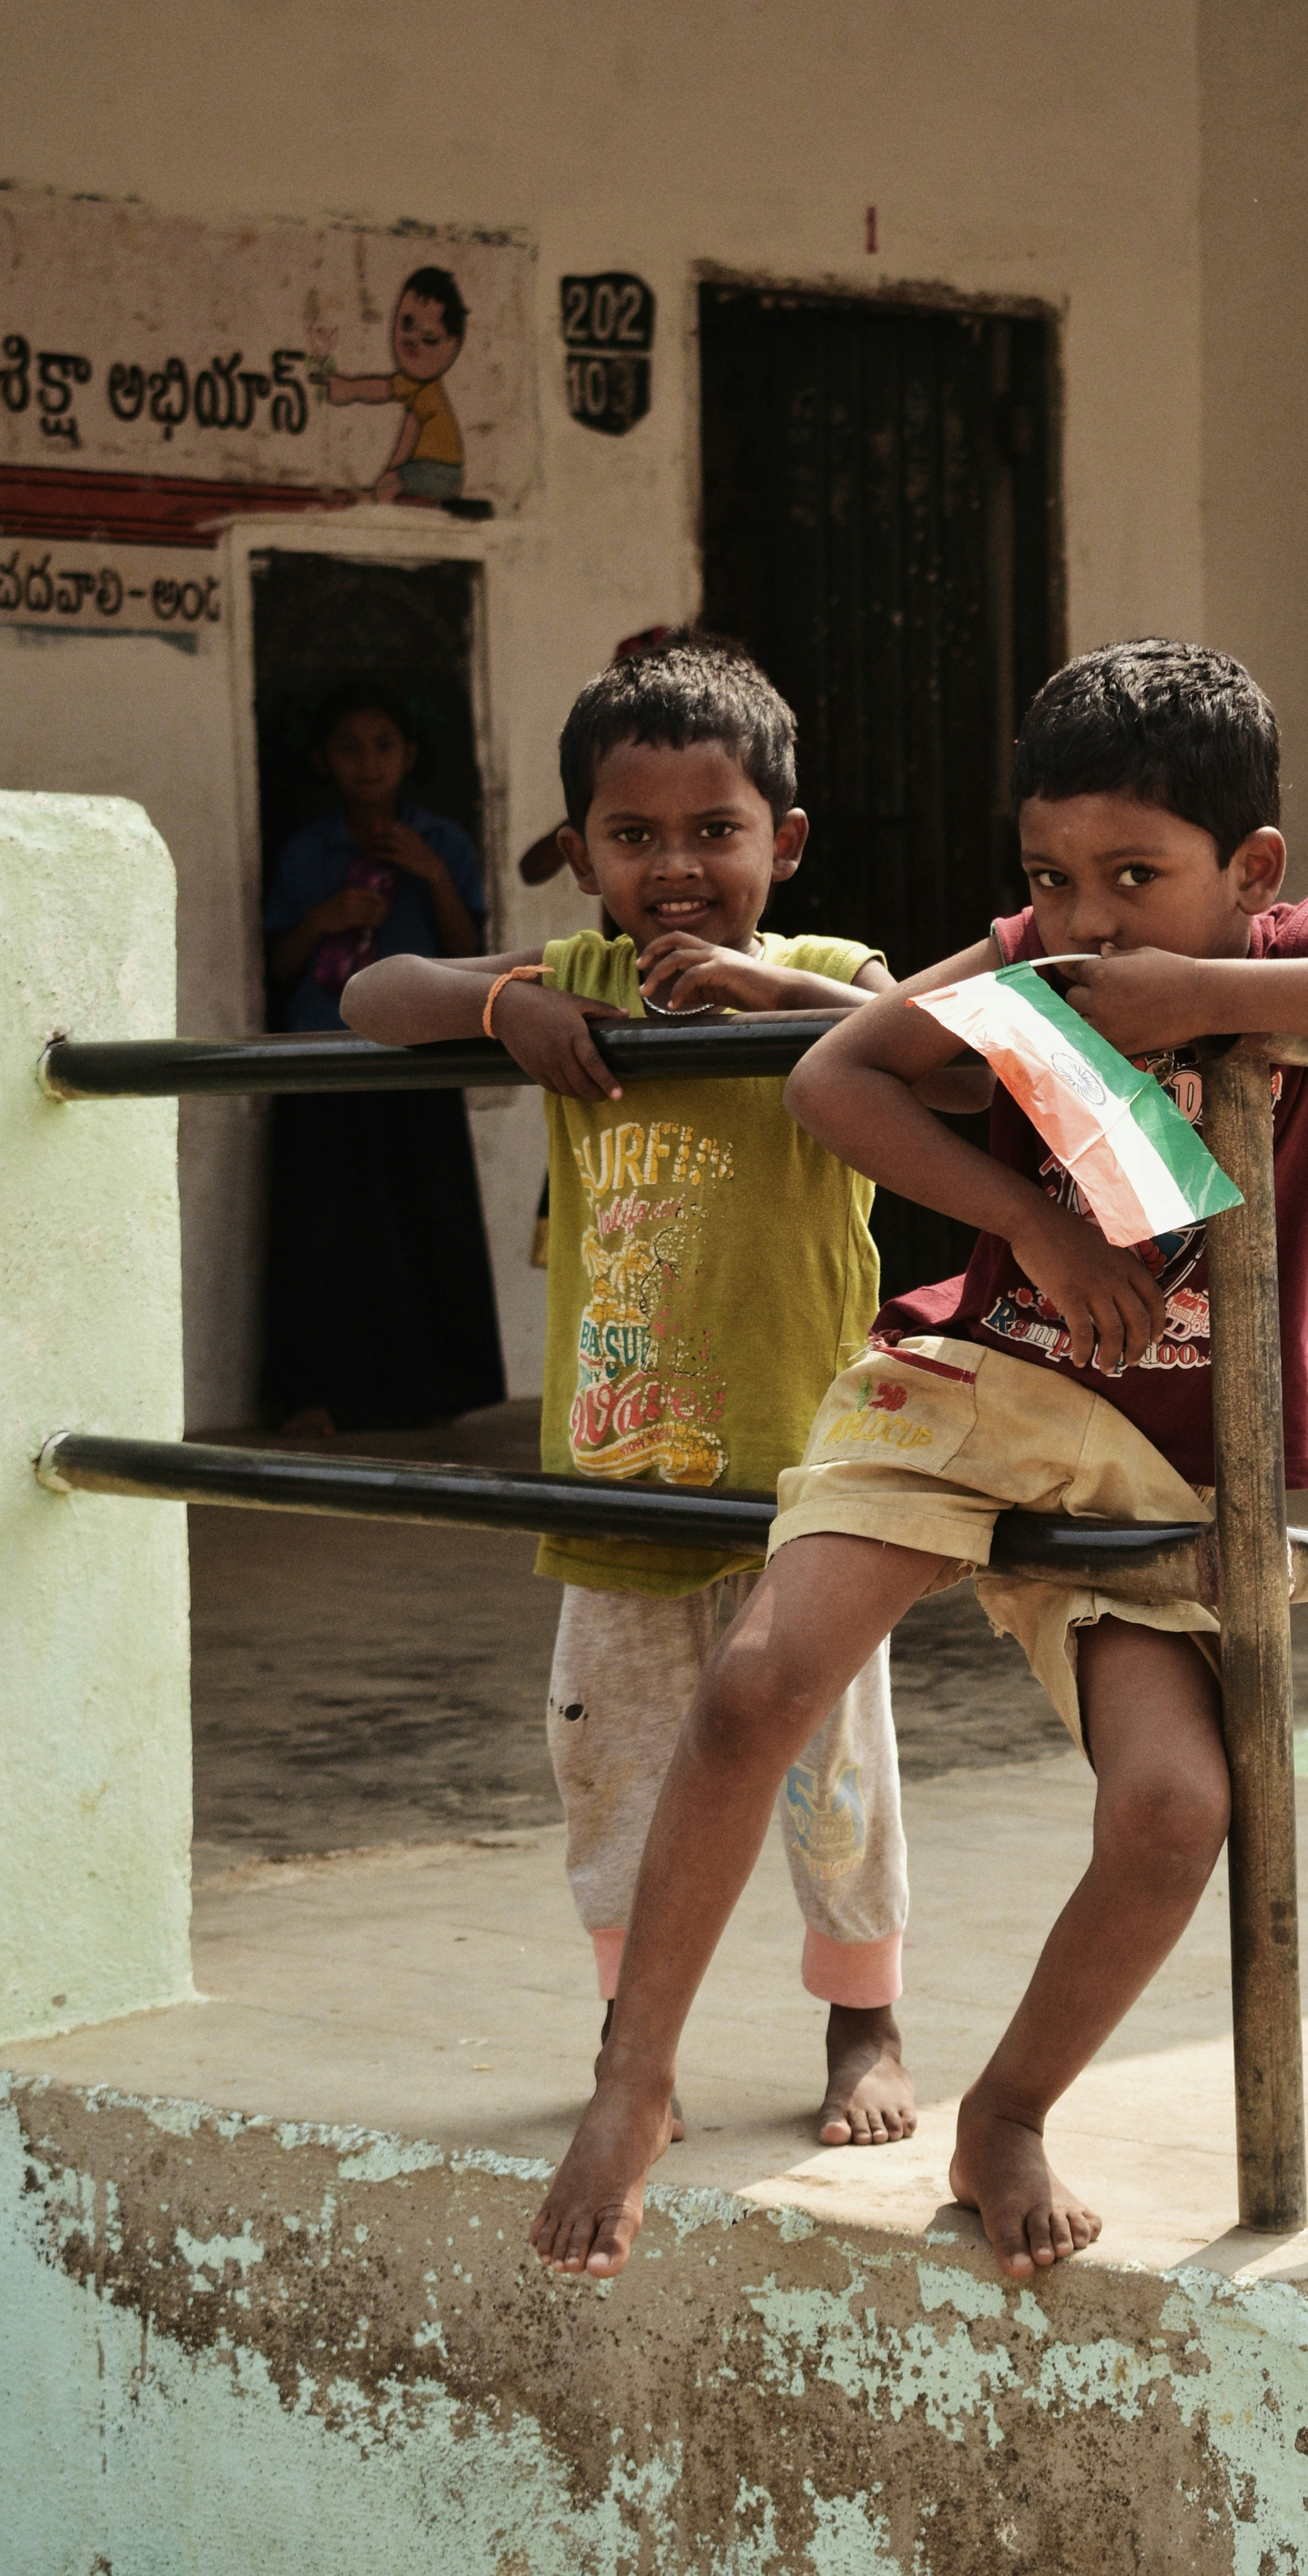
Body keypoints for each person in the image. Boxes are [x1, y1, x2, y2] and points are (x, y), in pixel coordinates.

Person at [525, 637, 1308, 2283]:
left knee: (1173, 1805)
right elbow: (845, 1077)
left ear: (1248, 869)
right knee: (757, 1679)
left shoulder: (1299, 948)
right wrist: (1025, 1223)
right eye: (1052, 877)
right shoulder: (1019, 960)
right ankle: (633, 2085)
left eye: (1137, 877)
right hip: (972, 1383)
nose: (1087, 919)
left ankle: (1005, 2113)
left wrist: (1208, 1000)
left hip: (1158, 1456)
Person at [342, 630, 969, 2144]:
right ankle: (639, 2030)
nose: (673, 867)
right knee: (604, 1765)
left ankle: (861, 2019)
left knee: (832, 1769)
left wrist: (773, 994)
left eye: (713, 831)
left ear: (785, 843)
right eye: (632, 837)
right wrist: (502, 1012)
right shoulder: (579, 979)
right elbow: (376, 992)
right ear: (579, 855)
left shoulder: (827, 980)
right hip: (615, 1474)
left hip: (807, 1484)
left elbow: (958, 1060)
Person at [261, 685, 504, 1433]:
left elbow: (472, 957)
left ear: (410, 757)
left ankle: (431, 1393)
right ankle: (317, 1395)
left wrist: (430, 875)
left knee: (424, 1223)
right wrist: (324, 919)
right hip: (325, 1056)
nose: (368, 764)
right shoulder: (309, 851)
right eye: (349, 747)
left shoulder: (444, 844)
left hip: (420, 1050)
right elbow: (276, 968)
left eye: (384, 745)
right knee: (326, 1229)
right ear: (323, 761)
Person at [322, 266, 469, 505]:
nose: (413, 339)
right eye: (407, 323)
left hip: (440, 472)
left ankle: (373, 501)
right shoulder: (418, 388)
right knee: (391, 482)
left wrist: (350, 389)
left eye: (429, 337)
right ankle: (376, 497)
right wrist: (391, 472)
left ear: (451, 347)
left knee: (391, 483)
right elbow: (401, 417)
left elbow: (387, 394)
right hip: (437, 471)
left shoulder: (424, 387)